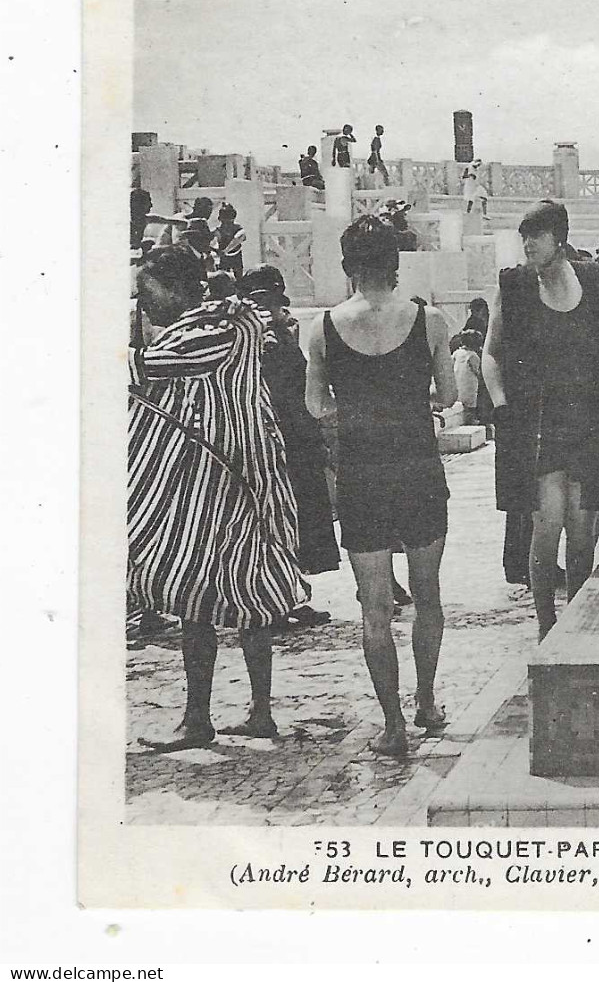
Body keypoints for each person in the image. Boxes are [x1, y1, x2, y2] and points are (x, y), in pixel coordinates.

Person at [129, 246, 308, 751]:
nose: (145, 306)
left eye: (148, 294)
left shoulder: (214, 330)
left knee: (201, 592)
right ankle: (254, 711)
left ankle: (202, 718)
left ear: (177, 288)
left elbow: (150, 367)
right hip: (233, 470)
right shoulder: (228, 321)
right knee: (237, 587)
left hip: (224, 475)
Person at [303, 215, 457, 755]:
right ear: (396, 264)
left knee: (374, 609)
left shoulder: (321, 327)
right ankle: (428, 702)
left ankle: (392, 726)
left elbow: (316, 405)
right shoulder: (430, 321)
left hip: (362, 475)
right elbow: (449, 395)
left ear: (348, 267)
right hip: (416, 467)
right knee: (428, 598)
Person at [482, 201, 599, 637]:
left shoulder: (596, 281)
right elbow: (491, 354)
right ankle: (546, 624)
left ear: (558, 239)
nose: (527, 244)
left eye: (535, 236)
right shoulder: (514, 286)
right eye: (523, 235)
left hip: (590, 418)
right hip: (537, 424)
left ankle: (577, 625)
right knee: (547, 529)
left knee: (583, 535)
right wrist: (502, 404)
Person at [239, 264, 339, 629]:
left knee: (299, 521)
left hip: (296, 439)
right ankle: (276, 602)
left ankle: (291, 595)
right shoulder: (254, 338)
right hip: (270, 442)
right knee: (276, 523)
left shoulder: (285, 332)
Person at [214, 202, 245, 277]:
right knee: (223, 277)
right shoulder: (217, 231)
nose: (226, 223)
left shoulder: (238, 229)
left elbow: (239, 238)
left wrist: (224, 251)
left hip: (235, 255)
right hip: (224, 258)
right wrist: (216, 250)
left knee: (238, 277)